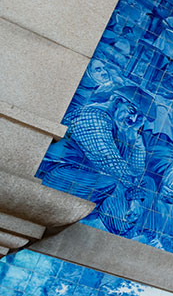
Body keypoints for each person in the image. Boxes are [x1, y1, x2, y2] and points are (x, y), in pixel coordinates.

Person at [40, 86, 150, 236]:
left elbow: (136, 171)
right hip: (53, 172)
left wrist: (135, 137)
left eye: (140, 117)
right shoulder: (94, 116)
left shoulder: (122, 129)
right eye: (131, 111)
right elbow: (110, 163)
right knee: (114, 184)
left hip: (81, 177)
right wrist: (135, 196)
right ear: (117, 102)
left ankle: (125, 231)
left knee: (124, 186)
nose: (133, 120)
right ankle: (124, 231)